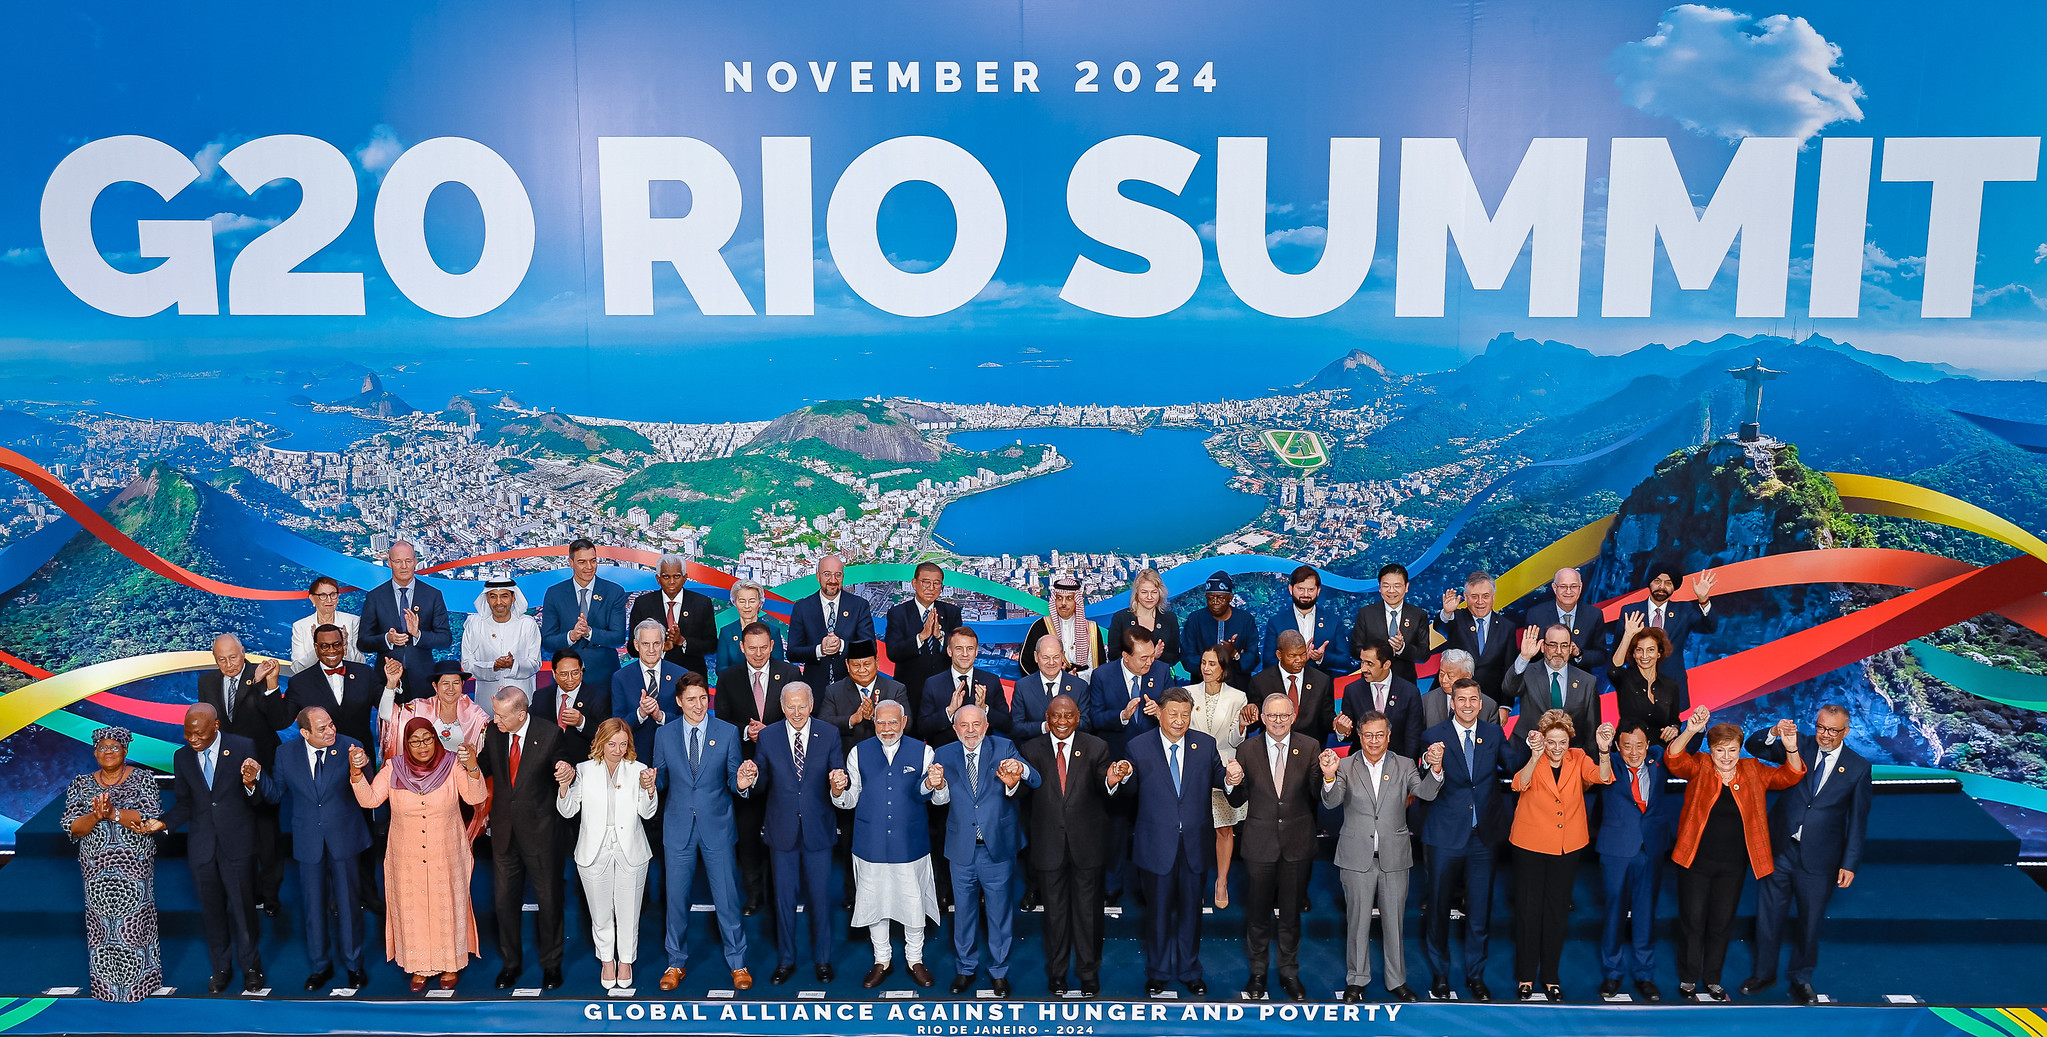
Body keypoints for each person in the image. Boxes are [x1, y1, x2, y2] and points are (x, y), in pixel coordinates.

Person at [1663, 707, 1805, 1001]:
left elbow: (1791, 775)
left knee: (1721, 922)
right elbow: (1673, 759)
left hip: (1733, 865)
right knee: (1693, 920)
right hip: (1695, 861)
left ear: (1740, 749)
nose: (1726, 757)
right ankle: (1689, 978)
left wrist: (1790, 747)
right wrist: (1690, 730)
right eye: (1719, 750)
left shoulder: (1753, 770)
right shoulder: (1700, 765)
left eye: (1732, 750)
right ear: (1710, 749)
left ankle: (1713, 979)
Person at [1740, 704, 1873, 1004]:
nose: (1824, 735)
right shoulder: (1798, 744)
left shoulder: (1858, 767)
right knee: (1768, 916)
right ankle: (1764, 974)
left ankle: (1801, 979)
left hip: (1821, 859)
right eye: (1821, 727)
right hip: (1781, 848)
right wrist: (1774, 732)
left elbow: (1857, 820)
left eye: (1832, 731)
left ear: (1846, 732)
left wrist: (1850, 863)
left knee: (1810, 922)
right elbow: (1754, 746)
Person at [1116, 687, 1243, 997]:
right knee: (1157, 913)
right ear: (1159, 713)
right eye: (1172, 714)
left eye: (1185, 715)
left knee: (1191, 913)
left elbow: (1219, 779)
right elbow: (1127, 793)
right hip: (1155, 844)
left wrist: (1231, 778)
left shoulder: (1205, 745)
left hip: (1195, 846)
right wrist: (1120, 778)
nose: (1178, 720)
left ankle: (1190, 970)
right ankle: (1158, 973)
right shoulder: (1138, 746)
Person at [349, 716, 488, 991]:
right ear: (406, 744)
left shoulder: (451, 765)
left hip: (446, 851)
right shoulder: (393, 768)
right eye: (414, 741)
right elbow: (370, 800)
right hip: (406, 854)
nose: (422, 746)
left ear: (435, 740)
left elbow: (475, 797)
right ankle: (419, 966)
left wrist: (472, 767)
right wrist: (356, 774)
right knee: (412, 907)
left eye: (427, 739)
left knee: (445, 905)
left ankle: (449, 964)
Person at [1418, 678, 1528, 1002]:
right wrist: (1430, 760)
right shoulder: (1433, 736)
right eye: (1461, 699)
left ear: (1481, 704)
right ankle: (1440, 975)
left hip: (1484, 838)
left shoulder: (1493, 733)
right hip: (1444, 836)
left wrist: (1529, 738)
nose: (1467, 705)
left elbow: (1511, 763)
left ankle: (1475, 976)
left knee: (1479, 911)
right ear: (1452, 703)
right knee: (1438, 909)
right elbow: (1424, 780)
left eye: (1473, 700)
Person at [1320, 712, 1441, 1003]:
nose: (1374, 741)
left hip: (1395, 857)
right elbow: (1331, 801)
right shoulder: (1345, 765)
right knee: (1357, 922)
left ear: (1388, 736)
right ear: (1359, 736)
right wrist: (1328, 775)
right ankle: (1357, 981)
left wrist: (1435, 769)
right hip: (1355, 856)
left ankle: (1396, 981)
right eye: (1367, 735)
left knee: (1394, 923)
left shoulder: (1405, 764)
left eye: (1379, 735)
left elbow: (1425, 792)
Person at [160, 703, 274, 994]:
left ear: (216, 726)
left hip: (238, 844)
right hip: (202, 847)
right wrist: (161, 824)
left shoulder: (242, 746)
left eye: (198, 733)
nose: (192, 740)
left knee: (243, 910)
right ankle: (221, 969)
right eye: (187, 734)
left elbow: (258, 798)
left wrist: (251, 783)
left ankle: (251, 969)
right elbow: (185, 802)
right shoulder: (182, 757)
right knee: (212, 913)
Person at [649, 672, 753, 991]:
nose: (698, 705)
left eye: (702, 699)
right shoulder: (664, 735)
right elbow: (662, 779)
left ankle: (738, 963)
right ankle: (675, 963)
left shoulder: (728, 732)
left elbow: (734, 777)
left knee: (727, 898)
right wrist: (651, 784)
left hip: (717, 826)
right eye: (691, 700)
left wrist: (742, 783)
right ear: (679, 702)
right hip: (678, 826)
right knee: (676, 900)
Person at [831, 699, 941, 990]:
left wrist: (935, 785)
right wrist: (836, 790)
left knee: (913, 902)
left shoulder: (924, 751)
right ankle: (882, 960)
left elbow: (933, 796)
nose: (888, 728)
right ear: (874, 722)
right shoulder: (858, 752)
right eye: (882, 722)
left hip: (911, 844)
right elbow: (849, 800)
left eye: (894, 722)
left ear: (904, 723)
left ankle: (914, 959)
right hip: (870, 844)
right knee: (874, 903)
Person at [1507, 709, 1615, 1002]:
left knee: (1556, 913)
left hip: (1566, 846)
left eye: (1562, 743)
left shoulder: (1579, 758)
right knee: (1529, 911)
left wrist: (1604, 751)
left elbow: (1602, 778)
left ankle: (1551, 978)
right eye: (1551, 742)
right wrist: (1534, 755)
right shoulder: (1534, 756)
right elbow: (1519, 784)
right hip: (1530, 844)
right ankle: (1526, 977)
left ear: (1570, 742)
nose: (1556, 748)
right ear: (1542, 739)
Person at [741, 683, 846, 984]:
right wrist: (749, 780)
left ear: (811, 704)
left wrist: (840, 784)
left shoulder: (829, 733)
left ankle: (822, 960)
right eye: (791, 706)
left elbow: (837, 774)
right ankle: (786, 960)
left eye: (802, 705)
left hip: (818, 829)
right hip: (781, 830)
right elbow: (762, 781)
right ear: (783, 706)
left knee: (820, 900)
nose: (797, 712)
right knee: (783, 901)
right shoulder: (770, 735)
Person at [931, 705, 1037, 996]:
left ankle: (999, 971)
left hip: (997, 849)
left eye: (976, 724)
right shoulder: (943, 754)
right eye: (963, 726)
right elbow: (924, 792)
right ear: (955, 729)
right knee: (963, 914)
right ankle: (965, 969)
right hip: (961, 849)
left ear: (986, 725)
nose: (970, 731)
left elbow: (1035, 779)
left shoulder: (1004, 747)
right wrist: (933, 784)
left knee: (999, 913)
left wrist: (1020, 771)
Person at [476, 684, 576, 991]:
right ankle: (511, 964)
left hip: (542, 835)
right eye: (495, 714)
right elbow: (482, 768)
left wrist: (565, 771)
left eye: (502, 716)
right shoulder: (494, 734)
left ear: (522, 714)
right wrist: (467, 764)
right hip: (505, 834)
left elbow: (563, 764)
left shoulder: (549, 734)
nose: (496, 721)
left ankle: (551, 965)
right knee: (505, 903)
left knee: (549, 901)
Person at [267, 706, 372, 992]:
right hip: (307, 839)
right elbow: (276, 793)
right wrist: (253, 781)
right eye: (322, 728)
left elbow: (370, 789)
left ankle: (354, 966)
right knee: (313, 907)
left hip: (344, 837)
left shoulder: (353, 746)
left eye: (331, 724)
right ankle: (320, 967)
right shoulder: (285, 754)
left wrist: (358, 769)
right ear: (304, 733)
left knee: (349, 905)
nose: (331, 731)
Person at [1020, 695, 1119, 997]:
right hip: (1048, 847)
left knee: (1089, 915)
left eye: (1068, 716)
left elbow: (1106, 786)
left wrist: (1113, 780)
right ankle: (1058, 974)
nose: (1062, 723)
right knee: (1055, 915)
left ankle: (1089, 974)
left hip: (1086, 846)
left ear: (1078, 717)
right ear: (1046, 718)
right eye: (1056, 717)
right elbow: (1021, 792)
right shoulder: (1030, 749)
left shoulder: (1096, 747)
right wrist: (1012, 781)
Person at [1226, 693, 1322, 1002]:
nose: (1278, 721)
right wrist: (1231, 781)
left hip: (1297, 843)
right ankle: (1257, 973)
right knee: (1257, 914)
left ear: (1293, 717)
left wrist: (1330, 775)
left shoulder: (1310, 747)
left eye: (1283, 716)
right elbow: (1236, 800)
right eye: (1272, 716)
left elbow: (1317, 794)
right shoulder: (1247, 749)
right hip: (1259, 843)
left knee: (1291, 915)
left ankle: (1289, 973)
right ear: (1263, 718)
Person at [63, 726, 166, 1002]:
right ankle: (107, 989)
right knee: (102, 927)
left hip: (134, 865)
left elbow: (148, 817)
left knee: (134, 925)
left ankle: (142, 986)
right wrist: (96, 817)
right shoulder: (81, 784)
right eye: (103, 748)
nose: (108, 752)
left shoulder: (142, 778)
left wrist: (113, 813)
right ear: (95, 752)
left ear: (125, 750)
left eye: (114, 747)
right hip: (96, 869)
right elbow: (73, 828)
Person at [558, 717, 658, 990]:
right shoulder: (584, 770)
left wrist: (650, 789)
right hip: (593, 851)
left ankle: (625, 960)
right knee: (601, 913)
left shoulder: (639, 769)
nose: (618, 749)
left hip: (631, 851)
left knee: (629, 911)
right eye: (612, 744)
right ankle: (607, 960)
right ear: (600, 742)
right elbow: (568, 810)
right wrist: (565, 786)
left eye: (623, 744)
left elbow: (647, 813)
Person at [194, 632, 290, 915]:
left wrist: (270, 684)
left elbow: (279, 720)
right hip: (225, 770)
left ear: (243, 651)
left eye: (233, 657)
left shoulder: (262, 672)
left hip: (263, 764)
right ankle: (243, 894)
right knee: (233, 834)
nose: (228, 664)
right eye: (221, 659)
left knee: (266, 834)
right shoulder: (206, 682)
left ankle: (270, 898)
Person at [716, 620, 802, 915]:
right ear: (741, 647)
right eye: (751, 648)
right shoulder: (727, 678)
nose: (758, 654)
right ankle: (753, 895)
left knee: (783, 832)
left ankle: (783, 893)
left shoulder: (790, 674)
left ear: (772, 646)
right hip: (745, 766)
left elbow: (799, 717)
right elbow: (722, 720)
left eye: (764, 648)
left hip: (784, 767)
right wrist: (746, 732)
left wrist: (771, 731)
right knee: (749, 832)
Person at [1087, 625, 1175, 906]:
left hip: (1153, 766)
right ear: (1126, 656)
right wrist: (1122, 716)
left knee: (1152, 829)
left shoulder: (1161, 672)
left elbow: (1175, 717)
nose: (1150, 663)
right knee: (1115, 828)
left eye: (1151, 657)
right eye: (1143, 658)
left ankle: (1150, 885)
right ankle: (1111, 885)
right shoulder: (1102, 675)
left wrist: (1160, 713)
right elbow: (1094, 720)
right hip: (1117, 763)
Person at [818, 639, 909, 909]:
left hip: (888, 776)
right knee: (850, 839)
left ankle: (892, 896)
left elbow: (909, 723)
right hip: (851, 777)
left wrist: (878, 718)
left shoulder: (895, 688)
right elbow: (822, 724)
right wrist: (854, 718)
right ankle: (853, 895)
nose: (861, 669)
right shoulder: (834, 691)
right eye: (855, 665)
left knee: (891, 837)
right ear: (847, 665)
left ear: (877, 663)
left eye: (867, 664)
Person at [1595, 721, 1675, 1002]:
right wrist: (1604, 750)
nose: (1633, 752)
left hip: (1651, 848)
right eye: (1627, 745)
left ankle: (1644, 974)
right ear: (1618, 745)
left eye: (1639, 745)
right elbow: (1599, 771)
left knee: (1645, 912)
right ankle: (1612, 973)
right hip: (1616, 849)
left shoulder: (1658, 758)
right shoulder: (1609, 761)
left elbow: (1681, 748)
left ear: (1647, 745)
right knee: (1614, 911)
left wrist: (1691, 728)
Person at [1184, 646, 1253, 909]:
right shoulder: (1188, 694)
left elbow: (1236, 740)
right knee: (1194, 829)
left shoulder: (1238, 697)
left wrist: (1243, 726)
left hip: (1225, 768)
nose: (1206, 668)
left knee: (1225, 829)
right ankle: (1195, 880)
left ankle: (1221, 881)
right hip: (1194, 768)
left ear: (1223, 668)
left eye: (1212, 664)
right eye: (1203, 662)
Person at [356, 540, 452, 700]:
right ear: (389, 563)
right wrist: (388, 639)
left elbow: (445, 639)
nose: (404, 566)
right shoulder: (375, 597)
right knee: (389, 724)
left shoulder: (433, 595)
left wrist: (418, 634)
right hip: (386, 680)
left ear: (415, 561)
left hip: (424, 680)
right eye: (398, 561)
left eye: (408, 561)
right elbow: (363, 642)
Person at [539, 538, 628, 698]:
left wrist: (589, 633)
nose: (589, 567)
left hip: (604, 679)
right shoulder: (554, 593)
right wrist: (571, 636)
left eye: (593, 561)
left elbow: (618, 638)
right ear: (571, 563)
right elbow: (548, 641)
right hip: (566, 680)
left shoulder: (614, 592)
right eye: (582, 562)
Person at [882, 562, 963, 721]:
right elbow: (893, 652)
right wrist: (921, 637)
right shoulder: (898, 613)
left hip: (944, 692)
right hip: (909, 691)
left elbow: (959, 652)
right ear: (914, 583)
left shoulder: (952, 612)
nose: (931, 588)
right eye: (926, 582)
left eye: (936, 583)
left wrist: (940, 637)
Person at [379, 659, 490, 775]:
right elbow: (387, 714)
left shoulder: (475, 714)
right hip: (423, 778)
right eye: (445, 683)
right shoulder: (419, 708)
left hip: (460, 778)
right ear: (435, 686)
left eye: (456, 683)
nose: (451, 689)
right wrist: (391, 684)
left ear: (462, 684)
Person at [286, 624, 380, 753]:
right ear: (316, 647)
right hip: (322, 761)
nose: (332, 650)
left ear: (343, 645)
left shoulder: (365, 673)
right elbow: (282, 721)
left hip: (361, 755)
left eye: (337, 644)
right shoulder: (299, 682)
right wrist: (272, 686)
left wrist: (393, 684)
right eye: (325, 646)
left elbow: (387, 710)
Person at [789, 554, 875, 689]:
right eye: (827, 574)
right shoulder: (802, 608)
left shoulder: (859, 606)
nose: (833, 580)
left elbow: (870, 647)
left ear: (843, 577)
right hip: (814, 693)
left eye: (838, 575)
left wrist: (841, 645)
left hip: (850, 691)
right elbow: (792, 652)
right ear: (818, 577)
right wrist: (820, 650)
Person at [1509, 624, 1599, 752]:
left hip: (1569, 757)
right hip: (1527, 753)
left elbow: (1592, 732)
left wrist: (1591, 767)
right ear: (1543, 647)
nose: (1558, 651)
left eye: (1564, 645)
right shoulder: (1527, 673)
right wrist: (1524, 658)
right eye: (1552, 645)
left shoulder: (1587, 682)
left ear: (1570, 648)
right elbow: (1509, 689)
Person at [629, 553, 720, 678]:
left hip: (691, 677)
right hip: (652, 677)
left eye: (677, 576)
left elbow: (711, 646)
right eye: (666, 577)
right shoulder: (643, 604)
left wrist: (683, 642)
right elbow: (632, 648)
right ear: (658, 579)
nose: (672, 582)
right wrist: (659, 648)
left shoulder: (702, 603)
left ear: (685, 578)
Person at [918, 625, 1009, 746]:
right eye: (959, 649)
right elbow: (923, 728)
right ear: (949, 651)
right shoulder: (933, 684)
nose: (965, 654)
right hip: (945, 755)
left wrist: (984, 709)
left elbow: (1007, 724)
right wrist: (949, 711)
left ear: (977, 651)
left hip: (984, 754)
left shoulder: (991, 681)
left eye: (970, 648)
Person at [1434, 571, 1516, 705]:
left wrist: (1505, 705)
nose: (1480, 602)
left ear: (1493, 597)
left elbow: (1509, 670)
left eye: (1485, 596)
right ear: (1465, 597)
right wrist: (1447, 613)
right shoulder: (1456, 618)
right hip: (1452, 699)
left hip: (1490, 701)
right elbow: (1440, 627)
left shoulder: (1507, 627)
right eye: (1474, 596)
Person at [1263, 565, 1354, 679]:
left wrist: (1321, 658)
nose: (1305, 594)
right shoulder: (1276, 622)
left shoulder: (1333, 621)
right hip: (1286, 689)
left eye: (1311, 590)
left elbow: (1344, 660)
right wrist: (1296, 659)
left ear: (1318, 591)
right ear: (1291, 589)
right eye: (1300, 589)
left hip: (1323, 689)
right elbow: (1268, 662)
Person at [1338, 639, 1424, 759]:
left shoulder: (1409, 692)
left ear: (1386, 665)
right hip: (1361, 766)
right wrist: (1342, 731)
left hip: (1398, 766)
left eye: (1369, 664)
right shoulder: (1352, 691)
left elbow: (1413, 739)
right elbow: (1350, 737)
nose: (1363, 669)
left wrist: (1407, 771)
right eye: (1362, 662)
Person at [463, 578, 542, 708]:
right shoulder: (474, 625)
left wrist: (513, 665)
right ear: (486, 599)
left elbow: (535, 663)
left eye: (504, 596)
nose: (499, 602)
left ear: (513, 597)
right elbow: (467, 665)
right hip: (486, 701)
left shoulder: (528, 625)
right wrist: (493, 666)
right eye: (493, 596)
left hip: (520, 699)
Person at [613, 619, 683, 764]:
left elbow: (690, 721)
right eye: (645, 644)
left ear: (663, 644)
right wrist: (640, 714)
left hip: (673, 758)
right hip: (634, 759)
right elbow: (616, 726)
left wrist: (661, 716)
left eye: (656, 643)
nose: (651, 650)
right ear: (636, 645)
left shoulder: (681, 675)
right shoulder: (621, 678)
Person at [1608, 621, 1689, 745]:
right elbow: (1613, 670)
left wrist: (1673, 729)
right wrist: (1628, 636)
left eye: (1650, 650)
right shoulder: (1625, 678)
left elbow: (1674, 721)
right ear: (1634, 654)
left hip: (1658, 752)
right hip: (1628, 751)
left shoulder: (1670, 685)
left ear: (1659, 653)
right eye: (1639, 650)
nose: (1645, 656)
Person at [1611, 564, 1719, 657]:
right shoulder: (1630, 611)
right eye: (1657, 581)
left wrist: (1703, 600)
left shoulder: (1684, 610)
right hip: (1636, 678)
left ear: (1674, 587)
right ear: (1650, 583)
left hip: (1672, 679)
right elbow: (1617, 651)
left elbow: (1709, 628)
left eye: (1668, 583)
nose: (1662, 587)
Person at [1250, 629, 1335, 746]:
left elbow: (1326, 720)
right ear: (1279, 655)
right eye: (1292, 656)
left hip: (1311, 752)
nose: (1299, 660)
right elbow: (1254, 724)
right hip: (1273, 751)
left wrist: (1337, 724)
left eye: (1303, 654)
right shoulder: (1260, 682)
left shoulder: (1321, 680)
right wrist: (1248, 715)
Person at [1351, 563, 1431, 685]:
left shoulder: (1418, 615)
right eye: (1386, 586)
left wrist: (1402, 648)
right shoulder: (1366, 613)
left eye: (1397, 586)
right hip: (1371, 682)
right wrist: (1377, 653)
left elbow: (1423, 655)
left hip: (1405, 684)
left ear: (1406, 587)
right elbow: (1355, 650)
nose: (1391, 591)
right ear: (1380, 588)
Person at [1518, 568, 1602, 678]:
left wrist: (1579, 654)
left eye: (1573, 586)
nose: (1568, 591)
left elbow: (1601, 655)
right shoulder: (1536, 614)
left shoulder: (1594, 615)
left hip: (1581, 685)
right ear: (1554, 588)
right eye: (1563, 586)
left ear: (1580, 587)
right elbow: (1530, 654)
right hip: (1544, 682)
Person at [1183, 571, 1261, 687]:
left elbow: (1253, 658)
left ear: (1230, 598)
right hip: (1202, 687)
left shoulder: (1245, 620)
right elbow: (1187, 657)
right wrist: (1213, 662)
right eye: (1211, 598)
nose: (1215, 602)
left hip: (1238, 688)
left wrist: (1234, 654)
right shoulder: (1195, 619)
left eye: (1221, 598)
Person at [1020, 576, 1106, 678]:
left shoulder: (1091, 629)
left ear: (1076, 601)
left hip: (1083, 687)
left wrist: (1077, 676)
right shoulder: (1040, 626)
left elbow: (1099, 666)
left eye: (1069, 598)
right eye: (1059, 598)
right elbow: (1025, 663)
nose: (1063, 603)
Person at [532, 648, 607, 760]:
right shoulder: (541, 696)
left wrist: (582, 723)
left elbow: (607, 736)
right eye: (563, 674)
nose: (570, 679)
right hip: (546, 765)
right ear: (553, 673)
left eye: (575, 673)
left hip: (583, 765)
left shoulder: (599, 697)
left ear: (582, 671)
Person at [1010, 634, 1086, 742]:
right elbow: (1016, 727)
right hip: (1033, 753)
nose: (1051, 662)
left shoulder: (1080, 686)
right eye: (1045, 657)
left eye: (1056, 657)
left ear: (1063, 656)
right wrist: (1044, 727)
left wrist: (1064, 725)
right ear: (1036, 657)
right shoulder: (1023, 687)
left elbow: (1086, 724)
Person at [1106, 568, 1182, 674]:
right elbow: (1114, 656)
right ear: (1136, 593)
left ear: (1160, 593)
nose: (1149, 597)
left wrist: (1156, 658)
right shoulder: (1121, 618)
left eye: (1154, 592)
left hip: (1161, 678)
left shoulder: (1169, 619)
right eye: (1144, 592)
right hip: (1127, 680)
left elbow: (1174, 655)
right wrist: (1152, 656)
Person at [290, 575, 363, 674]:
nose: (329, 600)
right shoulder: (300, 626)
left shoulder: (352, 621)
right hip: (314, 683)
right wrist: (317, 646)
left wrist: (345, 644)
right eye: (323, 595)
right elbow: (297, 668)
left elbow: (361, 663)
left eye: (333, 594)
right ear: (312, 598)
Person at [715, 580, 787, 675]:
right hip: (734, 686)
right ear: (734, 602)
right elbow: (721, 668)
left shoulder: (773, 631)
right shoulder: (726, 632)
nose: (747, 606)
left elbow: (778, 667)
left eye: (752, 601)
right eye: (742, 601)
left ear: (760, 603)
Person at [1423, 650, 1504, 729]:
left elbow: (1494, 740)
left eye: (1450, 676)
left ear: (1467, 677)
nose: (1444, 680)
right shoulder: (1426, 702)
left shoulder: (1489, 707)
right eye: (1441, 674)